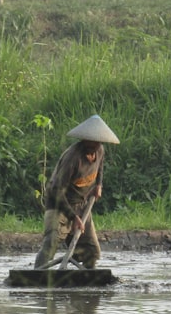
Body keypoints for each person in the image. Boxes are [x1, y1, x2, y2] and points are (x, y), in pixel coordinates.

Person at [34, 115, 120, 270]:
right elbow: (55, 189)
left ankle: (86, 279)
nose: (92, 144)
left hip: (81, 204)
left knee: (91, 251)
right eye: (89, 140)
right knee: (51, 242)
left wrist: (98, 185)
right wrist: (73, 217)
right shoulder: (73, 158)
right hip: (58, 205)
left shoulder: (99, 150)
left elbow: (99, 167)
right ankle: (37, 275)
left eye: (95, 141)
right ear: (83, 139)